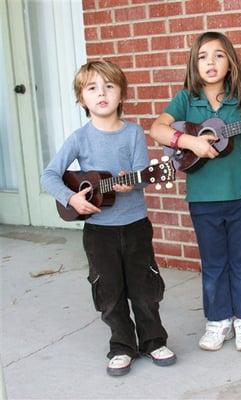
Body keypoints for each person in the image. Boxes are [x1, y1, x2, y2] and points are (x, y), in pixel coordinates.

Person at [41, 60, 176, 377]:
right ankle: (122, 346)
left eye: (109, 86)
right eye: (92, 88)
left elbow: (143, 178)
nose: (101, 93)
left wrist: (134, 180)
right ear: (81, 99)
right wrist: (72, 197)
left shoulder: (133, 134)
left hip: (135, 226)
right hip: (98, 232)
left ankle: (153, 340)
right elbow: (48, 176)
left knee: (145, 288)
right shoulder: (79, 138)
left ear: (121, 94)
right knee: (109, 292)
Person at [150, 32, 241, 352]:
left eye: (219, 55)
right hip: (202, 198)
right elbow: (158, 128)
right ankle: (218, 321)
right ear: (194, 64)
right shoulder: (186, 99)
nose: (211, 62)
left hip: (240, 194)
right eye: (203, 56)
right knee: (214, 262)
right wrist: (190, 142)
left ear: (230, 62)